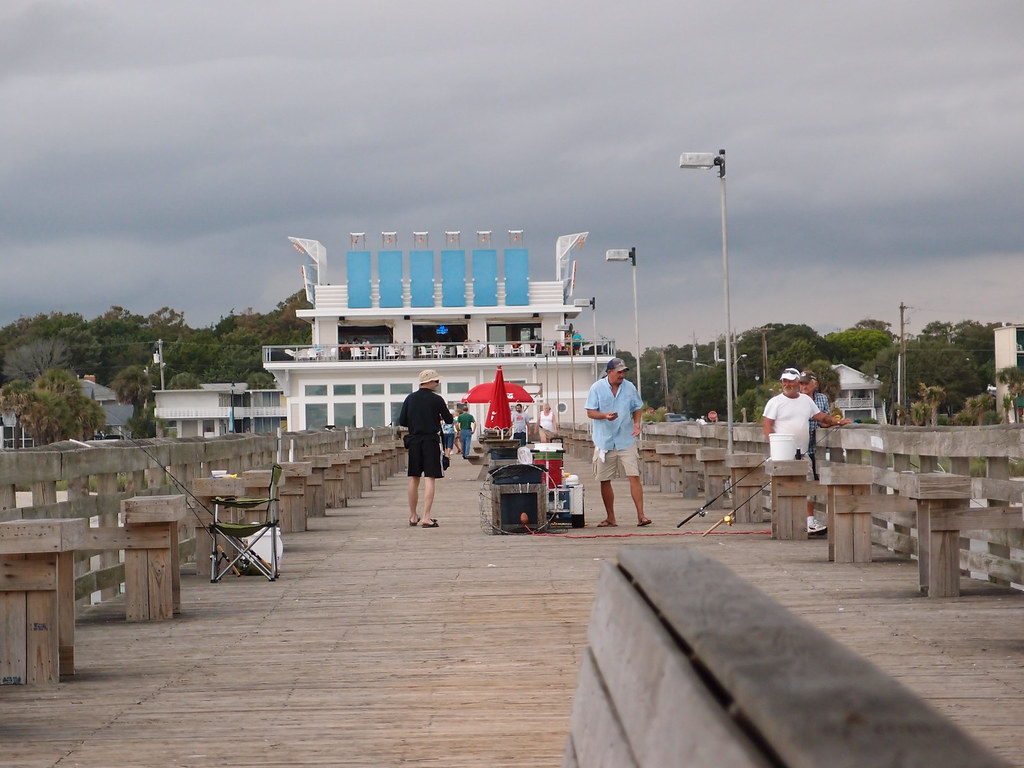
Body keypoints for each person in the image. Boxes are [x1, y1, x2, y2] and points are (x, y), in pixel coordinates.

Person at [762, 367, 839, 534]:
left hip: (802, 452)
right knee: (784, 486)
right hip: (782, 454)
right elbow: (767, 424)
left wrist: (837, 422)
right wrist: (774, 445)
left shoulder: (806, 401)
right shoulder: (774, 402)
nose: (787, 384)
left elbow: (821, 417)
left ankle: (809, 521)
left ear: (797, 382)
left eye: (790, 381)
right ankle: (784, 522)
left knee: (808, 484)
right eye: (784, 381)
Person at [585, 357, 651, 527]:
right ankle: (611, 517)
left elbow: (637, 407)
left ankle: (641, 516)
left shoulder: (629, 387)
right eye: (619, 372)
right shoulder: (597, 388)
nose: (622, 375)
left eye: (624, 372)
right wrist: (604, 415)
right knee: (604, 479)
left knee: (633, 475)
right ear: (609, 372)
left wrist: (637, 424)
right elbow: (590, 412)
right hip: (604, 441)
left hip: (625, 438)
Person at [398, 369, 453, 528]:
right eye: (436, 381)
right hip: (431, 440)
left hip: (414, 440)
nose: (438, 384)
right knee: (430, 477)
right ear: (429, 382)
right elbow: (449, 420)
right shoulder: (437, 400)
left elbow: (403, 420)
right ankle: (426, 517)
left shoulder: (410, 398)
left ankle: (413, 515)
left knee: (414, 478)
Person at [800, 370, 853, 526]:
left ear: (814, 384)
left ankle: (818, 519)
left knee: (818, 483)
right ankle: (809, 519)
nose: (804, 386)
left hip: (818, 448)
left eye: (806, 383)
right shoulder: (796, 399)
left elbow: (823, 421)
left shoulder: (821, 399)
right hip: (801, 448)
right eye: (801, 383)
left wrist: (838, 422)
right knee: (807, 483)